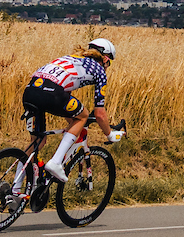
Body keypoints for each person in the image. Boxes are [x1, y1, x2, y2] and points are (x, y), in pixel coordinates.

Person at [22, 38, 122, 184]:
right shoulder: (100, 70)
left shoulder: (71, 59)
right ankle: (56, 162)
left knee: (37, 142)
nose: (108, 67)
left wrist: (71, 121)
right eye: (110, 63)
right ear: (105, 59)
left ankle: (15, 190)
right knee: (83, 116)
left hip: (30, 92)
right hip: (52, 93)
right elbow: (100, 114)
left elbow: (62, 87)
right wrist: (109, 134)